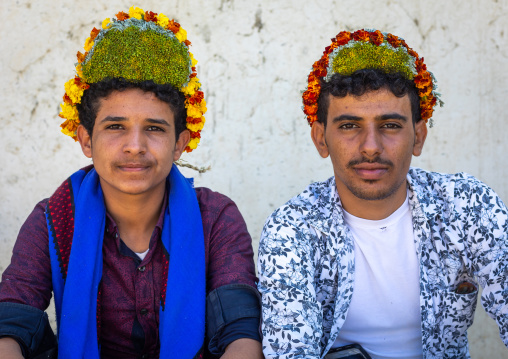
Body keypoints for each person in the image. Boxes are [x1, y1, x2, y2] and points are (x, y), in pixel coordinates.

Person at [0, 7, 262, 359]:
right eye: (115, 127)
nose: (135, 146)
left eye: (154, 128)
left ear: (180, 143)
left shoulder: (214, 217)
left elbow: (241, 333)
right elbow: (11, 322)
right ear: (86, 140)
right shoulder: (55, 219)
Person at [258, 29, 508, 359]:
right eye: (349, 126)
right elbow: (291, 350)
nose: (371, 147)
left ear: (418, 136)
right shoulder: (293, 230)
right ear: (321, 139)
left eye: (390, 125)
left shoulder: (466, 207)